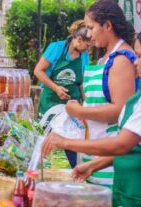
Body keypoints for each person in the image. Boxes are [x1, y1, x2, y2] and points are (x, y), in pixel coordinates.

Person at [42, 20, 141, 207]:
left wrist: (65, 142)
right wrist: (94, 165)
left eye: (139, 55)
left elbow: (122, 144)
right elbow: (139, 145)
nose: (136, 62)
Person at [42, 0, 137, 186]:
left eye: (91, 27)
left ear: (107, 25)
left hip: (110, 166)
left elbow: (120, 110)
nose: (88, 34)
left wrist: (79, 112)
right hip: (94, 158)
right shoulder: (105, 58)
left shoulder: (121, 60)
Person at [34, 20, 91, 168]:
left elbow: (81, 83)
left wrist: (85, 106)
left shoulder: (83, 56)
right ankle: (45, 171)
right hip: (50, 103)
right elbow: (38, 71)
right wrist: (56, 88)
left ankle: (68, 173)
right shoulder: (56, 48)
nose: (89, 49)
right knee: (48, 143)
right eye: (87, 45)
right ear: (78, 39)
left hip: (71, 108)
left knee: (69, 145)